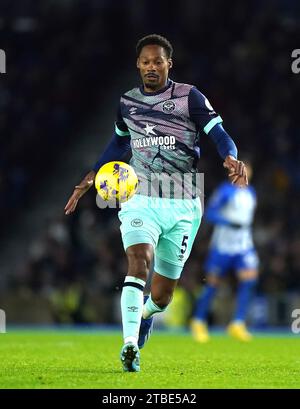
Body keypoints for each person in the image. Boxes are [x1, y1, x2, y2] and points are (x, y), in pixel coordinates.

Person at [64, 34, 248, 372]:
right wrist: (86, 181)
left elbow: (219, 134)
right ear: (138, 64)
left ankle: (147, 314)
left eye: (158, 61)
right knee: (138, 262)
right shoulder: (127, 103)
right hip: (141, 197)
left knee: (162, 297)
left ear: (168, 64)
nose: (151, 66)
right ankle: (130, 345)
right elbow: (118, 146)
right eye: (146, 61)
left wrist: (232, 158)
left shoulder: (189, 97)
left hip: (183, 203)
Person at [190, 162, 258, 342]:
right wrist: (228, 222)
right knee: (212, 284)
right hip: (223, 245)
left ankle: (237, 323)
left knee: (250, 279)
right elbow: (210, 213)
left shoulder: (250, 193)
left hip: (243, 246)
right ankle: (198, 321)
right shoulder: (226, 191)